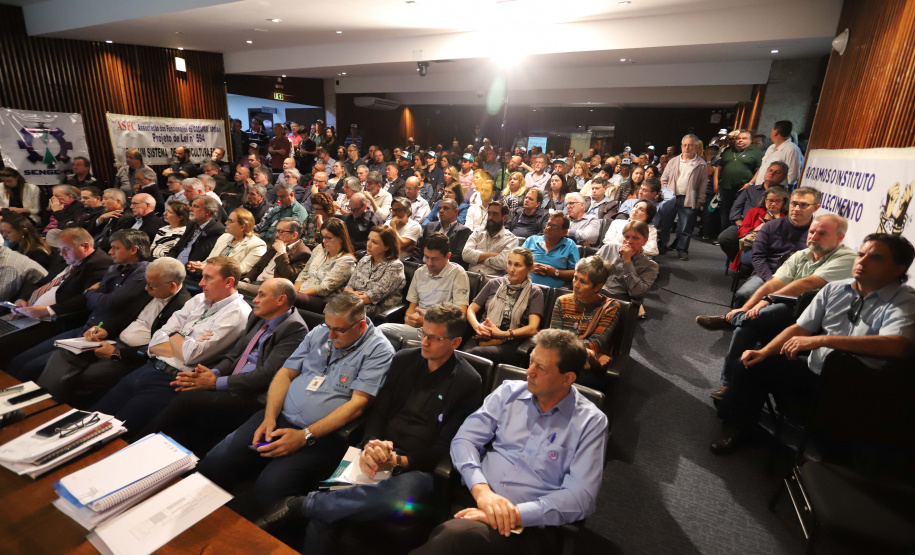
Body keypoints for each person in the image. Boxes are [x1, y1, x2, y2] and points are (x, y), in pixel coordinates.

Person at [257, 304, 482, 555]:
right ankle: (314, 513)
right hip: (376, 451)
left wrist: (398, 462)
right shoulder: (404, 359)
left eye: (434, 338)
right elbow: (379, 412)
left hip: (417, 468)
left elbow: (445, 447)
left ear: (456, 342)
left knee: (402, 492)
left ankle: (302, 505)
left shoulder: (468, 381)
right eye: (423, 334)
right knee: (328, 514)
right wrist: (371, 444)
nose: (425, 342)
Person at [710, 234, 915, 455]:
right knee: (750, 364)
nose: (862, 262)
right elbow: (800, 328)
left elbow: (896, 345)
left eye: (875, 258)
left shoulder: (905, 300)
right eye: (861, 254)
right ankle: (739, 429)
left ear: (898, 269)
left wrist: (821, 340)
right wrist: (765, 351)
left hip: (858, 385)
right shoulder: (835, 289)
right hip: (816, 370)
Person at [197, 291, 395, 517]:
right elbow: (285, 374)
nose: (329, 335)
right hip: (279, 417)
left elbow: (358, 404)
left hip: (320, 436)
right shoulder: (320, 332)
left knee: (269, 488)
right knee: (215, 461)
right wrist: (269, 417)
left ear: (360, 326)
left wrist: (305, 436)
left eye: (338, 330)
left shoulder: (379, 350)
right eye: (327, 325)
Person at [412, 329, 607, 555]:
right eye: (531, 362)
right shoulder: (509, 393)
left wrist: (512, 514)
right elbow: (465, 440)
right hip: (476, 500)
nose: (529, 372)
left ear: (568, 378)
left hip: (530, 525)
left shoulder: (590, 422)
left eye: (540, 368)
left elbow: (581, 497)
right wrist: (482, 490)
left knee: (454, 536)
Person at [133, 279, 308, 453]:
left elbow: (266, 375)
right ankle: (157, 451)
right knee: (184, 387)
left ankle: (138, 445)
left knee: (188, 398)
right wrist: (211, 373)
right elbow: (235, 355)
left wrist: (215, 382)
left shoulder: (294, 328)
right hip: (230, 381)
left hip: (251, 393)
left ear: (281, 300)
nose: (255, 299)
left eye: (261, 295)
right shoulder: (257, 316)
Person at [698, 215, 855, 397]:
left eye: (822, 233)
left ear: (840, 237)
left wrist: (768, 299)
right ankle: (730, 385)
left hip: (814, 317)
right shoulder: (801, 255)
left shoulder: (847, 257)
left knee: (768, 312)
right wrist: (745, 308)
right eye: (812, 232)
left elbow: (808, 284)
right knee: (746, 328)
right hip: (789, 305)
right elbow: (774, 283)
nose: (814, 236)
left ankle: (732, 320)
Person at [90, 256, 251, 433]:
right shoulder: (198, 300)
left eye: (208, 278)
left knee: (114, 432)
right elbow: (155, 340)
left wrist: (173, 336)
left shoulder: (238, 313)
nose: (201, 283)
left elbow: (192, 356)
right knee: (93, 416)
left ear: (229, 282)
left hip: (172, 381)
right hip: (148, 368)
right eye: (202, 276)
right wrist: (182, 341)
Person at [35, 257, 191, 407]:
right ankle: (40, 402)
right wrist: (105, 329)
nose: (146, 288)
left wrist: (116, 352)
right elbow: (125, 314)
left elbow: (158, 349)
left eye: (152, 285)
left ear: (172, 286)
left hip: (130, 356)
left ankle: (58, 409)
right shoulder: (151, 290)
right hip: (113, 340)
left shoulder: (183, 308)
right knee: (63, 354)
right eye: (147, 283)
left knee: (89, 375)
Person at [8, 230, 152, 381]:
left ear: (133, 250)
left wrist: (90, 292)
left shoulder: (140, 274)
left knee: (30, 367)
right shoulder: (114, 268)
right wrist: (94, 295)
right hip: (86, 326)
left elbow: (108, 303)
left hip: (99, 333)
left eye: (115, 248)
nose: (110, 252)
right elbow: (97, 301)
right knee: (19, 361)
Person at [2, 227, 112, 366]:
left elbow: (85, 300)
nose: (61, 254)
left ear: (84, 246)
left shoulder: (100, 264)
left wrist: (47, 310)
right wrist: (22, 299)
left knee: (5, 345)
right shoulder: (65, 259)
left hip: (54, 320)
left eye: (66, 249)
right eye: (60, 249)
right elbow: (40, 282)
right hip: (29, 314)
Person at [734, 187, 820, 306]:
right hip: (767, 274)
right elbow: (758, 257)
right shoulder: (770, 226)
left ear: (816, 208)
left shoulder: (818, 233)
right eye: (794, 204)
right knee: (744, 294)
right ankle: (733, 319)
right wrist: (771, 281)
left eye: (803, 205)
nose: (796, 209)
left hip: (798, 280)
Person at [379, 232, 470, 342]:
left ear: (448, 256)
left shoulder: (458, 273)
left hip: (438, 331)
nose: (429, 263)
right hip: (416, 326)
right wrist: (409, 318)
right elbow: (412, 306)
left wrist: (427, 323)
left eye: (435, 259)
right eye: (427, 257)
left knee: (381, 330)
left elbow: (460, 315)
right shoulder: (420, 272)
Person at [549, 257, 621, 390]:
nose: (575, 285)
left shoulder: (610, 307)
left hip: (586, 369)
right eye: (575, 277)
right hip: (562, 359)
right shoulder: (562, 301)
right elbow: (554, 338)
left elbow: (594, 344)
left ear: (597, 287)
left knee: (557, 376)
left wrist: (565, 345)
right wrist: (585, 350)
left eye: (583, 281)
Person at [465, 247, 543, 366]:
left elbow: (533, 328)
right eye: (509, 263)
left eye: (517, 265)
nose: (511, 269)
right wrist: (477, 327)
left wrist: (503, 334)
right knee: (461, 354)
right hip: (483, 336)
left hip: (510, 343)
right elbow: (471, 309)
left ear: (529, 269)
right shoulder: (494, 283)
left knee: (473, 354)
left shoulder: (535, 292)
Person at [718, 162, 789, 264]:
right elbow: (735, 210)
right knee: (725, 237)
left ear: (784, 177)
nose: (772, 173)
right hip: (745, 225)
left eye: (777, 172)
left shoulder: (786, 195)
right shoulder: (750, 190)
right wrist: (743, 227)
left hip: (772, 229)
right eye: (770, 170)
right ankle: (739, 264)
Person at [660, 134, 708, 260]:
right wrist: (665, 193)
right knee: (665, 224)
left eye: (690, 145)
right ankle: (662, 245)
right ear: (681, 146)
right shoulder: (673, 161)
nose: (687, 148)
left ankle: (682, 250)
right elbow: (664, 179)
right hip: (670, 197)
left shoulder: (701, 164)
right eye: (685, 145)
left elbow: (703, 184)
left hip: (690, 198)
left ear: (696, 147)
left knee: (685, 226)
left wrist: (700, 200)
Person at [294, 218, 357, 311]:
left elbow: (324, 288)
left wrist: (296, 295)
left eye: (328, 237)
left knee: (284, 298)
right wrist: (295, 291)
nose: (324, 241)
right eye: (322, 237)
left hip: (322, 300)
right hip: (301, 294)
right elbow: (304, 272)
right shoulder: (320, 249)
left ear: (340, 238)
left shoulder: (347, 260)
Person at [344, 225, 406, 319]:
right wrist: (355, 294)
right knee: (332, 308)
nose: (368, 244)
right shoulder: (365, 260)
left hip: (379, 310)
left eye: (374, 242)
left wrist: (352, 296)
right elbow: (348, 288)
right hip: (356, 303)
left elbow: (372, 297)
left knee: (341, 313)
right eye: (369, 239)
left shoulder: (395, 266)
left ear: (386, 247)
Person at [727, 186, 790, 273]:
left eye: (778, 201)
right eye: (771, 200)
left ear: (784, 202)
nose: (774, 204)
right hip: (752, 249)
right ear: (765, 200)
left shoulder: (788, 218)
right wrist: (756, 229)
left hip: (776, 251)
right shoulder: (753, 212)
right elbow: (741, 232)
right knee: (769, 261)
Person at [240, 218, 311, 293]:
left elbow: (289, 277)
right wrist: (247, 280)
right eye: (277, 231)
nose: (276, 235)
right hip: (255, 283)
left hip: (272, 289)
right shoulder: (277, 242)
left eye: (281, 232)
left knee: (233, 286)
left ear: (294, 235)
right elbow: (259, 265)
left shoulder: (303, 253)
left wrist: (281, 253)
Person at [188, 208, 267, 276]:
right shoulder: (224, 237)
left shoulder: (257, 245)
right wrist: (199, 265)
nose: (226, 223)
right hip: (210, 276)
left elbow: (243, 269)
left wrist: (208, 268)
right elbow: (210, 260)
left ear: (242, 227)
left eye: (230, 221)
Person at [596, 221, 660, 303]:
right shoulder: (608, 248)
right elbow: (588, 271)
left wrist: (627, 261)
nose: (629, 241)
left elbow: (637, 292)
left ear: (644, 241)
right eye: (626, 237)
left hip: (619, 302)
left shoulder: (650, 266)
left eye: (635, 238)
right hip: (594, 294)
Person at [714, 130, 763, 233]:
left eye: (744, 138)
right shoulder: (728, 152)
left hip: (743, 189)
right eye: (739, 138)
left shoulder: (756, 152)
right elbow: (719, 168)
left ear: (750, 140)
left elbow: (760, 170)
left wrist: (750, 183)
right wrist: (716, 182)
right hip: (726, 187)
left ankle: (737, 235)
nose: (740, 140)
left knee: (737, 213)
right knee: (724, 212)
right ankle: (723, 235)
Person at [523, 212, 579, 288]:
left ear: (564, 232)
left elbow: (577, 273)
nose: (548, 228)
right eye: (548, 224)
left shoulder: (569, 245)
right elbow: (516, 262)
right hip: (524, 287)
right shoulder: (531, 240)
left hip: (551, 294)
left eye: (554, 226)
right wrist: (530, 267)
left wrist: (555, 272)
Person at [167, 196, 226, 266]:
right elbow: (176, 248)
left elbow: (200, 256)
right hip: (175, 265)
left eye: (195, 206)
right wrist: (169, 262)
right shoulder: (192, 225)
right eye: (192, 206)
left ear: (207, 212)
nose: (190, 209)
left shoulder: (217, 230)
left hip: (190, 270)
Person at [414, 198, 472, 269]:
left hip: (445, 270)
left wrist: (436, 264)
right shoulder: (430, 226)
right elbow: (418, 249)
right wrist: (417, 266)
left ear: (456, 211)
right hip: (422, 267)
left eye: (445, 208)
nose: (441, 211)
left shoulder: (463, 231)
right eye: (440, 208)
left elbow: (458, 257)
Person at [463, 201, 517, 275]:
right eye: (489, 213)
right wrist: (493, 255)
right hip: (470, 277)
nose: (490, 217)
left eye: (495, 214)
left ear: (505, 218)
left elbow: (503, 263)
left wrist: (477, 259)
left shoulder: (511, 239)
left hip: (493, 282)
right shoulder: (478, 232)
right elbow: (465, 254)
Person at [746, 120, 804, 189]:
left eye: (772, 130)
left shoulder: (791, 149)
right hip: (759, 188)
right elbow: (762, 168)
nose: (771, 133)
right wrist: (750, 183)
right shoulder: (771, 147)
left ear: (776, 132)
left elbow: (792, 176)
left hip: (774, 191)